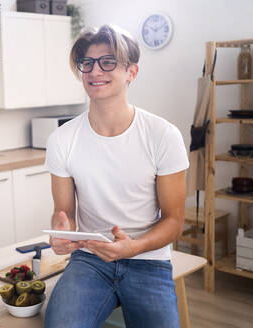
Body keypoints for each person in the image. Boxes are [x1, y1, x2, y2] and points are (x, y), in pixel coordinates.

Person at [44, 24, 189, 328]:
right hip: (90, 259)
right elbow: (65, 214)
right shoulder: (62, 139)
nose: (95, 70)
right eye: (88, 63)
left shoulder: (163, 135)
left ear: (131, 72)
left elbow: (174, 221)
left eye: (108, 61)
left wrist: (133, 247)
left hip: (148, 259)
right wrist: (62, 233)